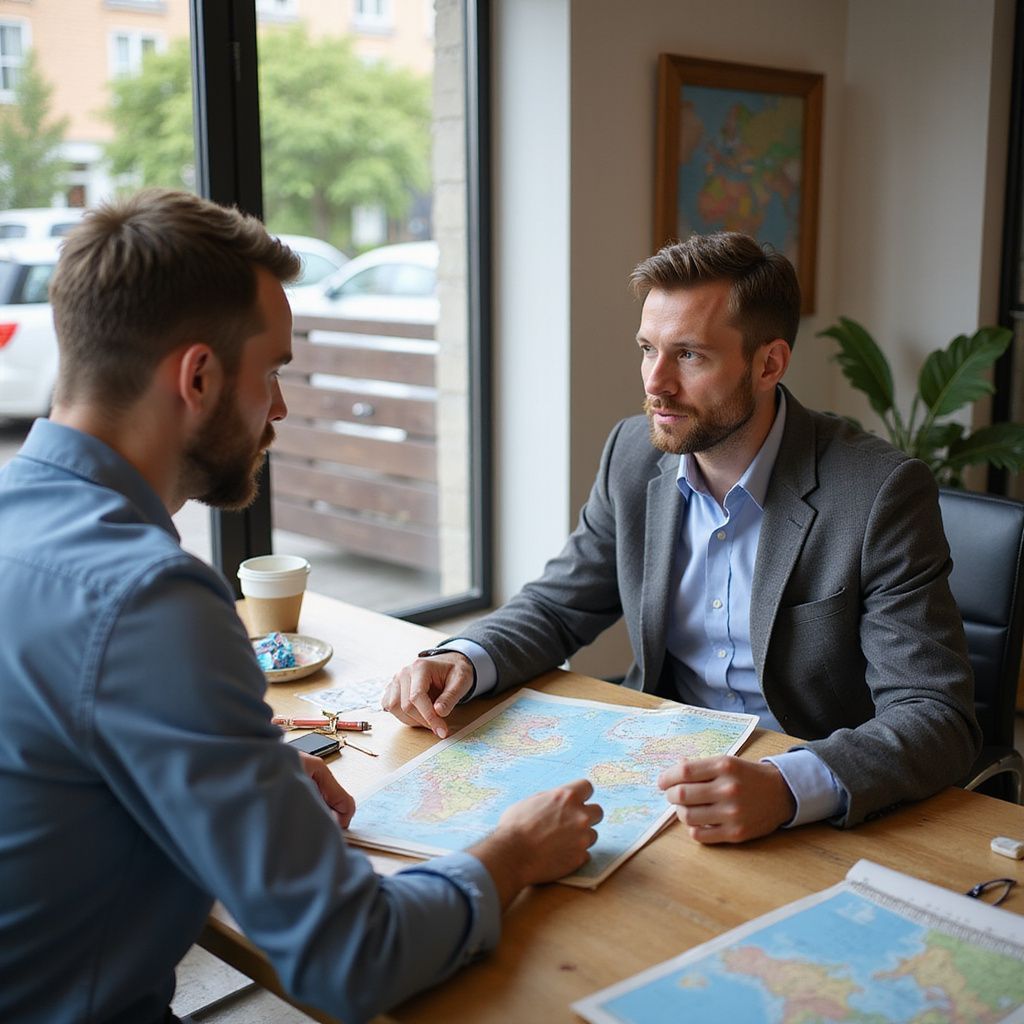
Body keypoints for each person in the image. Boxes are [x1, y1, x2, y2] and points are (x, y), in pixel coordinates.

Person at [0, 188, 603, 1024]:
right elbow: (350, 958)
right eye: (272, 371)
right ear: (200, 377)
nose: (279, 408)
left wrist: (252, 770)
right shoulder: (149, 599)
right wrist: (511, 853)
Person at [383, 231, 981, 843]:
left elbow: (937, 716)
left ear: (769, 363)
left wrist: (787, 784)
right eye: (648, 349)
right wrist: (461, 658)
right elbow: (559, 604)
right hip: (657, 778)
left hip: (806, 804)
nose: (656, 383)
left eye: (690, 355)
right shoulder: (632, 455)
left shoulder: (878, 492)